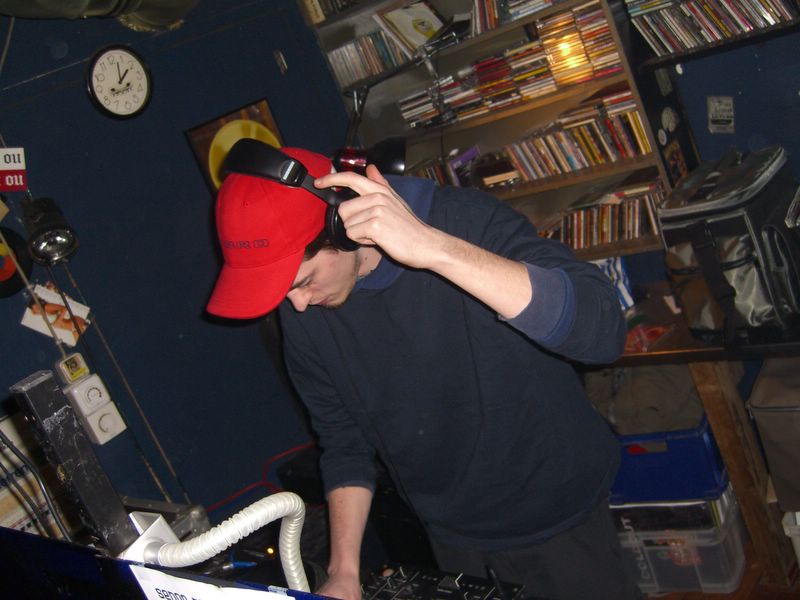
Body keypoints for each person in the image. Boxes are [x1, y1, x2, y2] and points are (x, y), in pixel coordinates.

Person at [206, 146, 640, 600]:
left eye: (303, 281)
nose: (297, 305)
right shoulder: (303, 311)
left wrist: (432, 248)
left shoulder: (463, 220)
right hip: (452, 536)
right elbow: (344, 441)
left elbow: (602, 333)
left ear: (341, 226)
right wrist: (343, 571)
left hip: (561, 516)